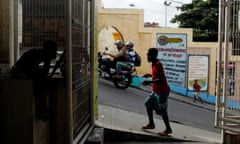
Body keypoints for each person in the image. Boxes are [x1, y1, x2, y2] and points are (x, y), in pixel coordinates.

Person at [11, 40, 58, 121]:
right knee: (41, 82)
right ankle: (41, 109)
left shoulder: (44, 55)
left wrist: (49, 60)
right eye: (54, 50)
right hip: (19, 71)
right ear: (49, 50)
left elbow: (44, 72)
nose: (56, 52)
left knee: (44, 81)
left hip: (25, 71)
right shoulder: (36, 54)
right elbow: (32, 70)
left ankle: (42, 107)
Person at [141, 48, 172, 136]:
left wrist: (149, 82)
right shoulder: (153, 64)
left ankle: (168, 129)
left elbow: (160, 79)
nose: (147, 56)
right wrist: (150, 75)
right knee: (147, 103)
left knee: (163, 111)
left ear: (153, 56)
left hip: (162, 92)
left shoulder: (158, 64)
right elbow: (157, 75)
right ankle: (151, 124)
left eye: (149, 55)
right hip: (155, 91)